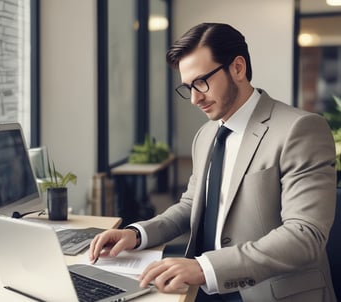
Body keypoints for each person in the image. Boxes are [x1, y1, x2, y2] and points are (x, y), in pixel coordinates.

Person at [89, 23, 337, 302]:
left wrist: (205, 268)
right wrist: (137, 233)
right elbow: (190, 206)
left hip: (271, 292)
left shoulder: (300, 129)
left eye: (201, 82)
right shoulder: (207, 135)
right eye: (187, 87)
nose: (195, 98)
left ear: (238, 68)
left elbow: (305, 236)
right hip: (204, 288)